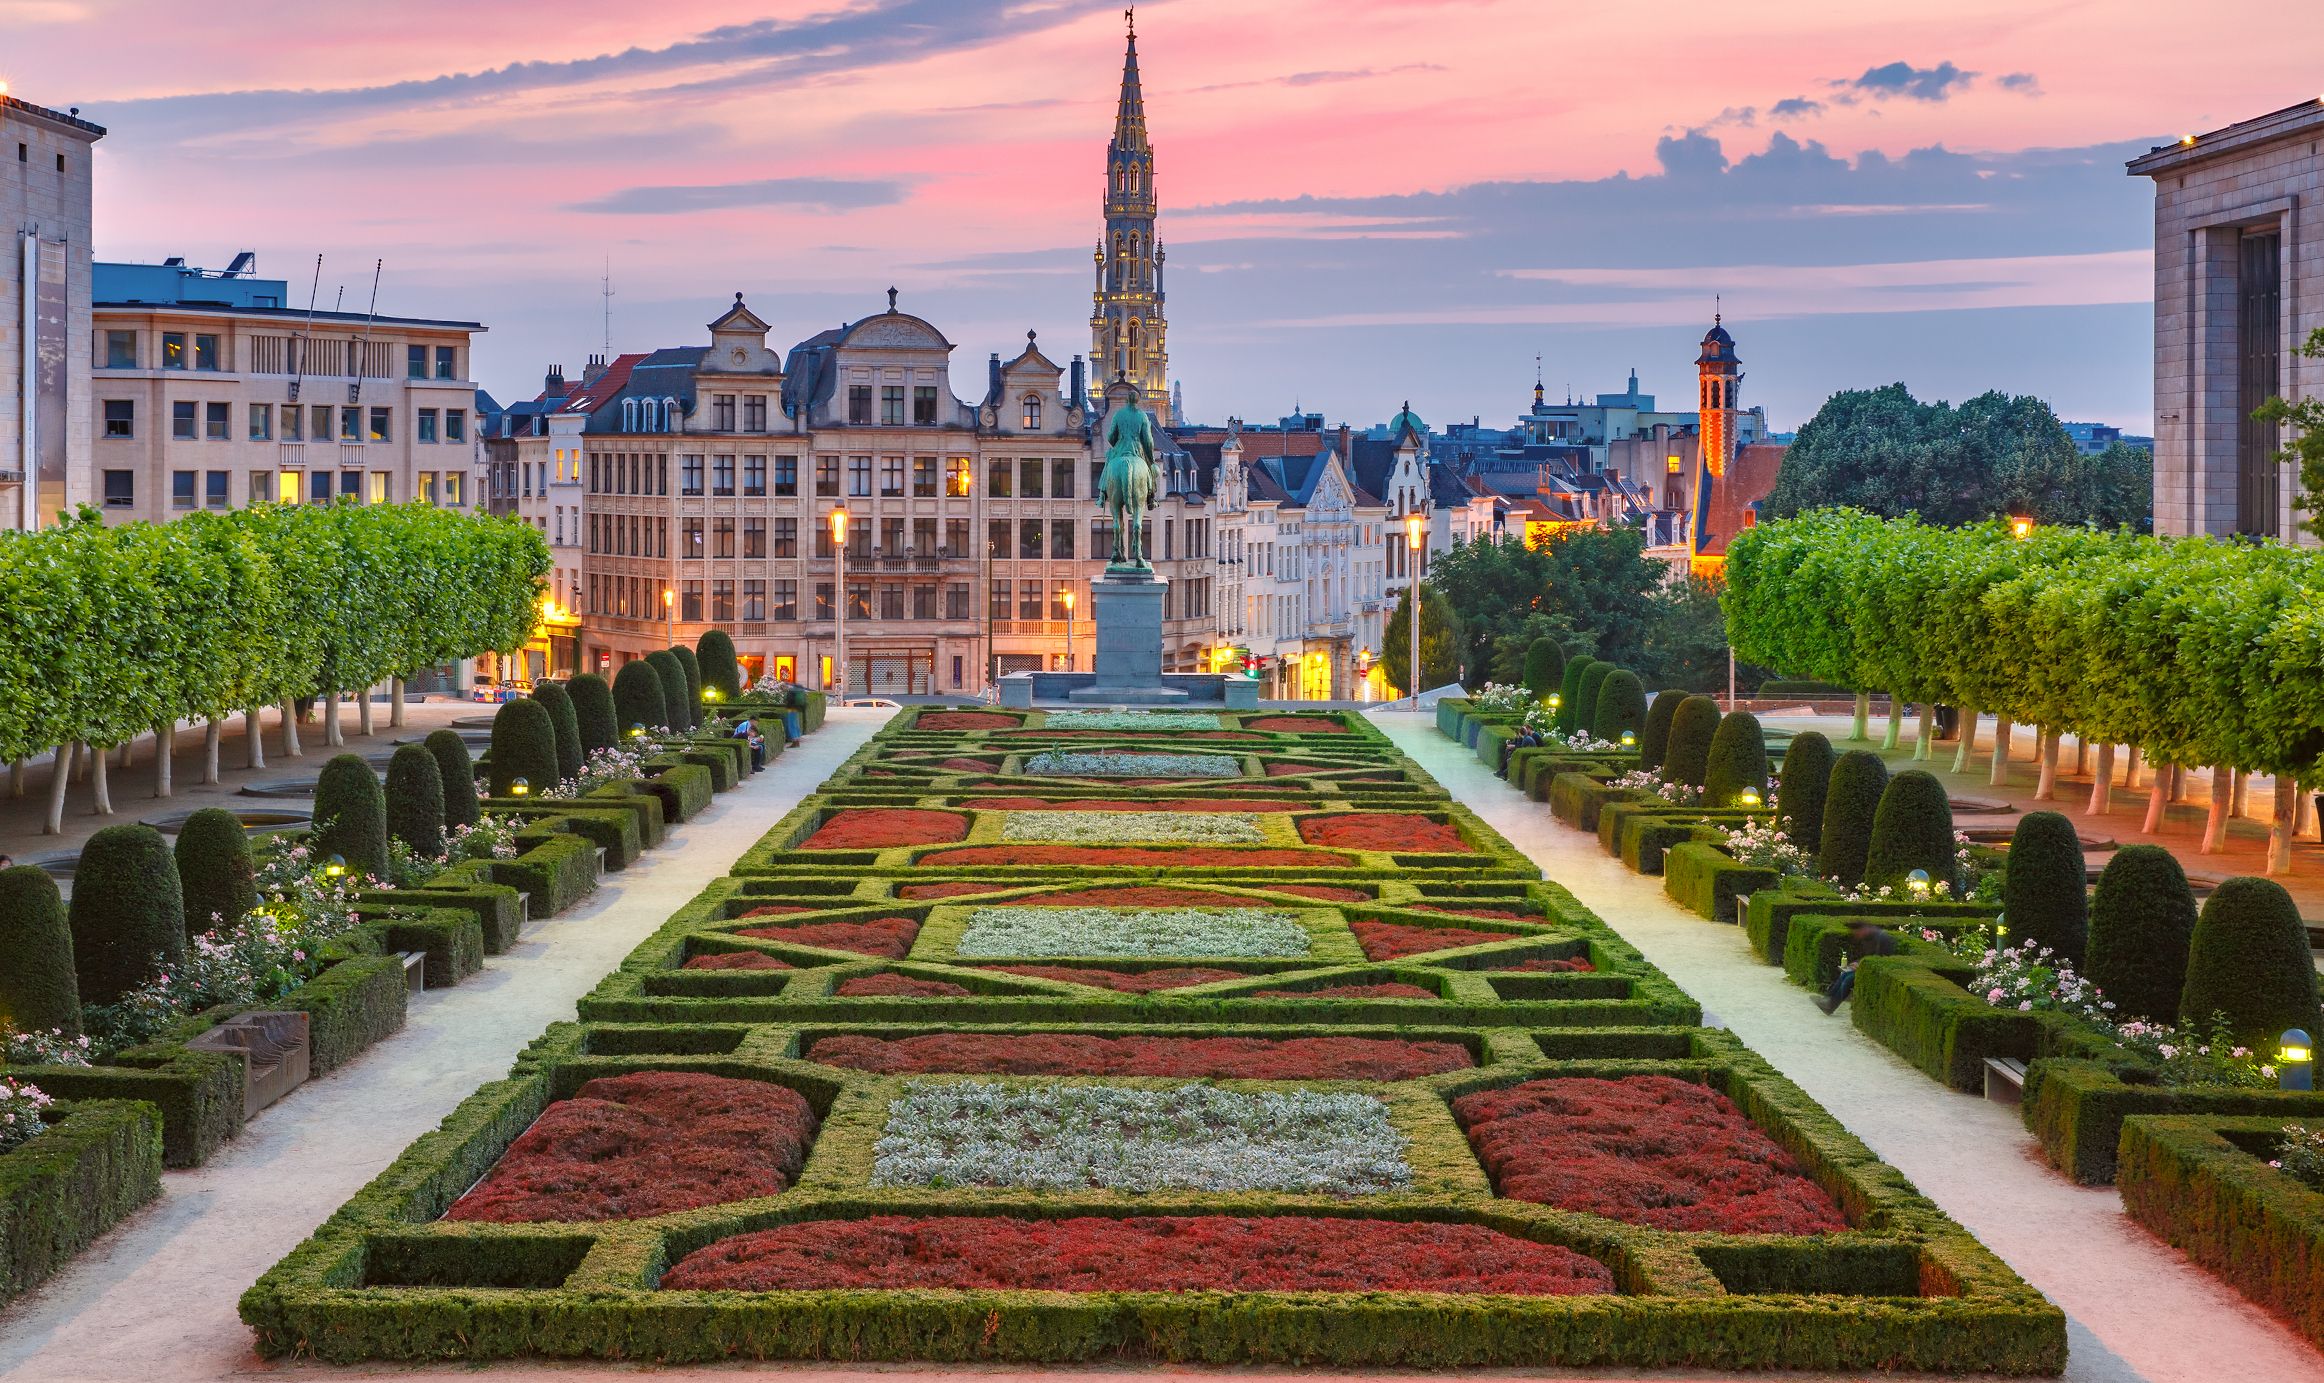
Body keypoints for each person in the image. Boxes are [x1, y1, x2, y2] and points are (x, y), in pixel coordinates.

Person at [1816, 918, 1898, 1014]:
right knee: (1844, 975)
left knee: (1848, 979)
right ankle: (1827, 999)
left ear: (1863, 929)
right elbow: (1869, 956)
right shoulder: (1869, 937)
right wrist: (1858, 963)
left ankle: (1830, 1006)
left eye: (1857, 933)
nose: (1857, 936)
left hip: (1877, 970)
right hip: (1866, 967)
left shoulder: (1881, 938)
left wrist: (1860, 964)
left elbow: (1881, 959)